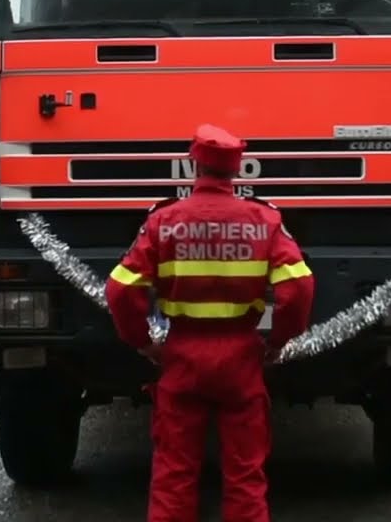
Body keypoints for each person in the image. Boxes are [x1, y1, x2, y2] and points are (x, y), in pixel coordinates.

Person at [106, 123, 316, 522]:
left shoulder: (165, 220)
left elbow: (120, 289)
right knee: (245, 475)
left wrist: (142, 342)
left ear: (194, 164)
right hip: (241, 360)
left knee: (174, 474)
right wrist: (278, 341)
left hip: (182, 358)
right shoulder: (264, 220)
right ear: (237, 169)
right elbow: (300, 287)